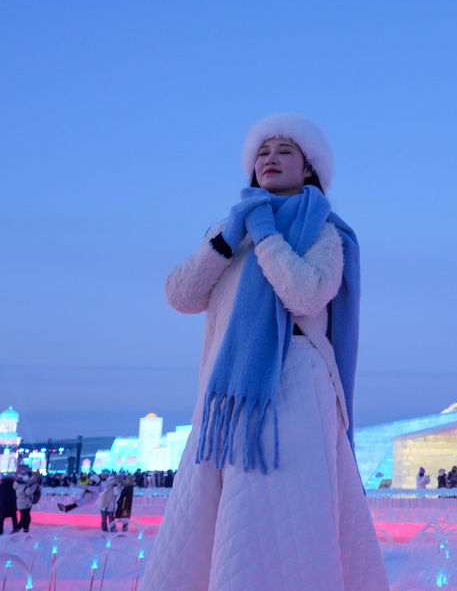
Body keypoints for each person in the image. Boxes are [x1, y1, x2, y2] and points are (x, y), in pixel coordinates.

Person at [141, 113, 388, 591]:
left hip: (297, 384)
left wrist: (267, 234)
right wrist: (226, 240)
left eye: (284, 151)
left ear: (309, 168)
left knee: (289, 511)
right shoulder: (228, 231)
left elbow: (307, 295)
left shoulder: (324, 232)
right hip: (229, 392)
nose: (270, 159)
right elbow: (180, 296)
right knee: (218, 519)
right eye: (262, 152)